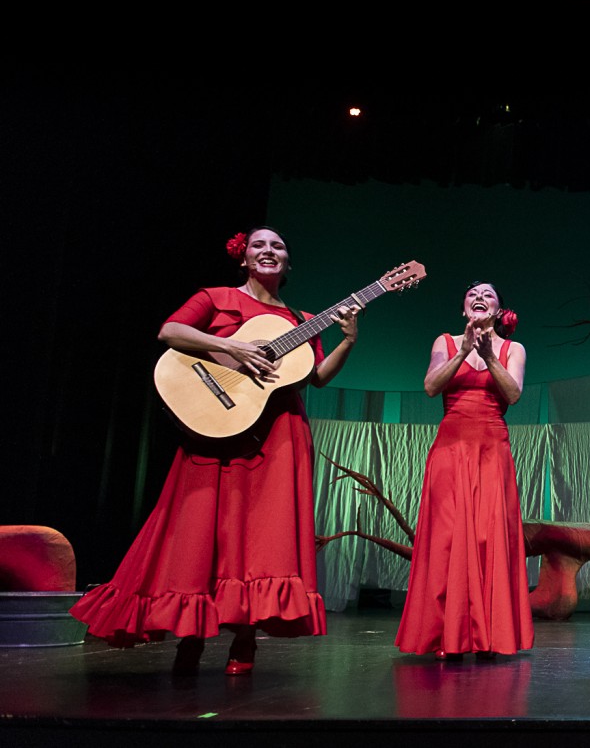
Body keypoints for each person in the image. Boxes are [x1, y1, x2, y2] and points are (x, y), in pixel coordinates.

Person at [70, 226, 360, 675]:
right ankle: (191, 635)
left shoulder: (302, 320)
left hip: (278, 433)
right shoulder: (216, 297)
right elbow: (170, 331)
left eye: (278, 245)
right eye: (259, 244)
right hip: (216, 429)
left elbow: (317, 377)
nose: (268, 250)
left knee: (264, 538)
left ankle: (246, 637)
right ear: (243, 258)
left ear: (288, 262)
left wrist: (347, 340)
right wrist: (230, 346)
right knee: (201, 533)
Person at [395, 281, 534, 660]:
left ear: (499, 310)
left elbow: (513, 394)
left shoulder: (513, 349)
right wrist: (464, 352)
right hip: (450, 448)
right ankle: (447, 634)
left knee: (489, 537)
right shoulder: (445, 342)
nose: (479, 298)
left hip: (491, 448)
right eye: (472, 295)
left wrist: (489, 356)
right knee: (447, 537)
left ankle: (487, 634)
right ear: (463, 309)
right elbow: (430, 386)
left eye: (488, 295)